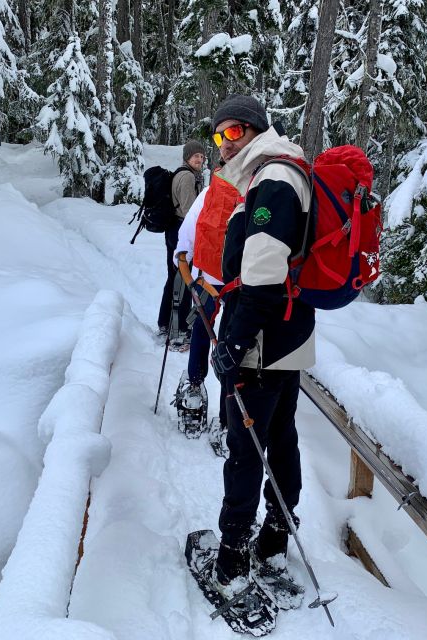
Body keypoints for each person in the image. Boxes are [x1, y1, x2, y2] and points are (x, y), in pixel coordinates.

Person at [207, 95, 314, 595]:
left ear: (253, 130)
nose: (224, 144)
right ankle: (275, 534)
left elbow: (264, 274)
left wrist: (235, 340)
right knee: (280, 432)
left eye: (233, 133)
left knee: (247, 445)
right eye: (218, 135)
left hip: (264, 334)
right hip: (290, 330)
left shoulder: (272, 179)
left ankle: (232, 557)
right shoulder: (274, 173)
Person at [173, 151, 238, 454]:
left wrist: (184, 268)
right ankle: (228, 415)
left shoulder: (210, 195)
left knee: (202, 331)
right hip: (240, 286)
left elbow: (185, 240)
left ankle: (195, 390)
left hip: (207, 282)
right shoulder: (253, 194)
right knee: (231, 343)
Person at [157, 140, 205, 350]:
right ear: (187, 157)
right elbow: (189, 210)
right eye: (196, 156)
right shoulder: (186, 177)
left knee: (174, 278)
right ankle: (178, 333)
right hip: (182, 232)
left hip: (176, 231)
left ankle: (165, 323)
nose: (200, 160)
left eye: (202, 157)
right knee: (182, 280)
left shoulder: (187, 174)